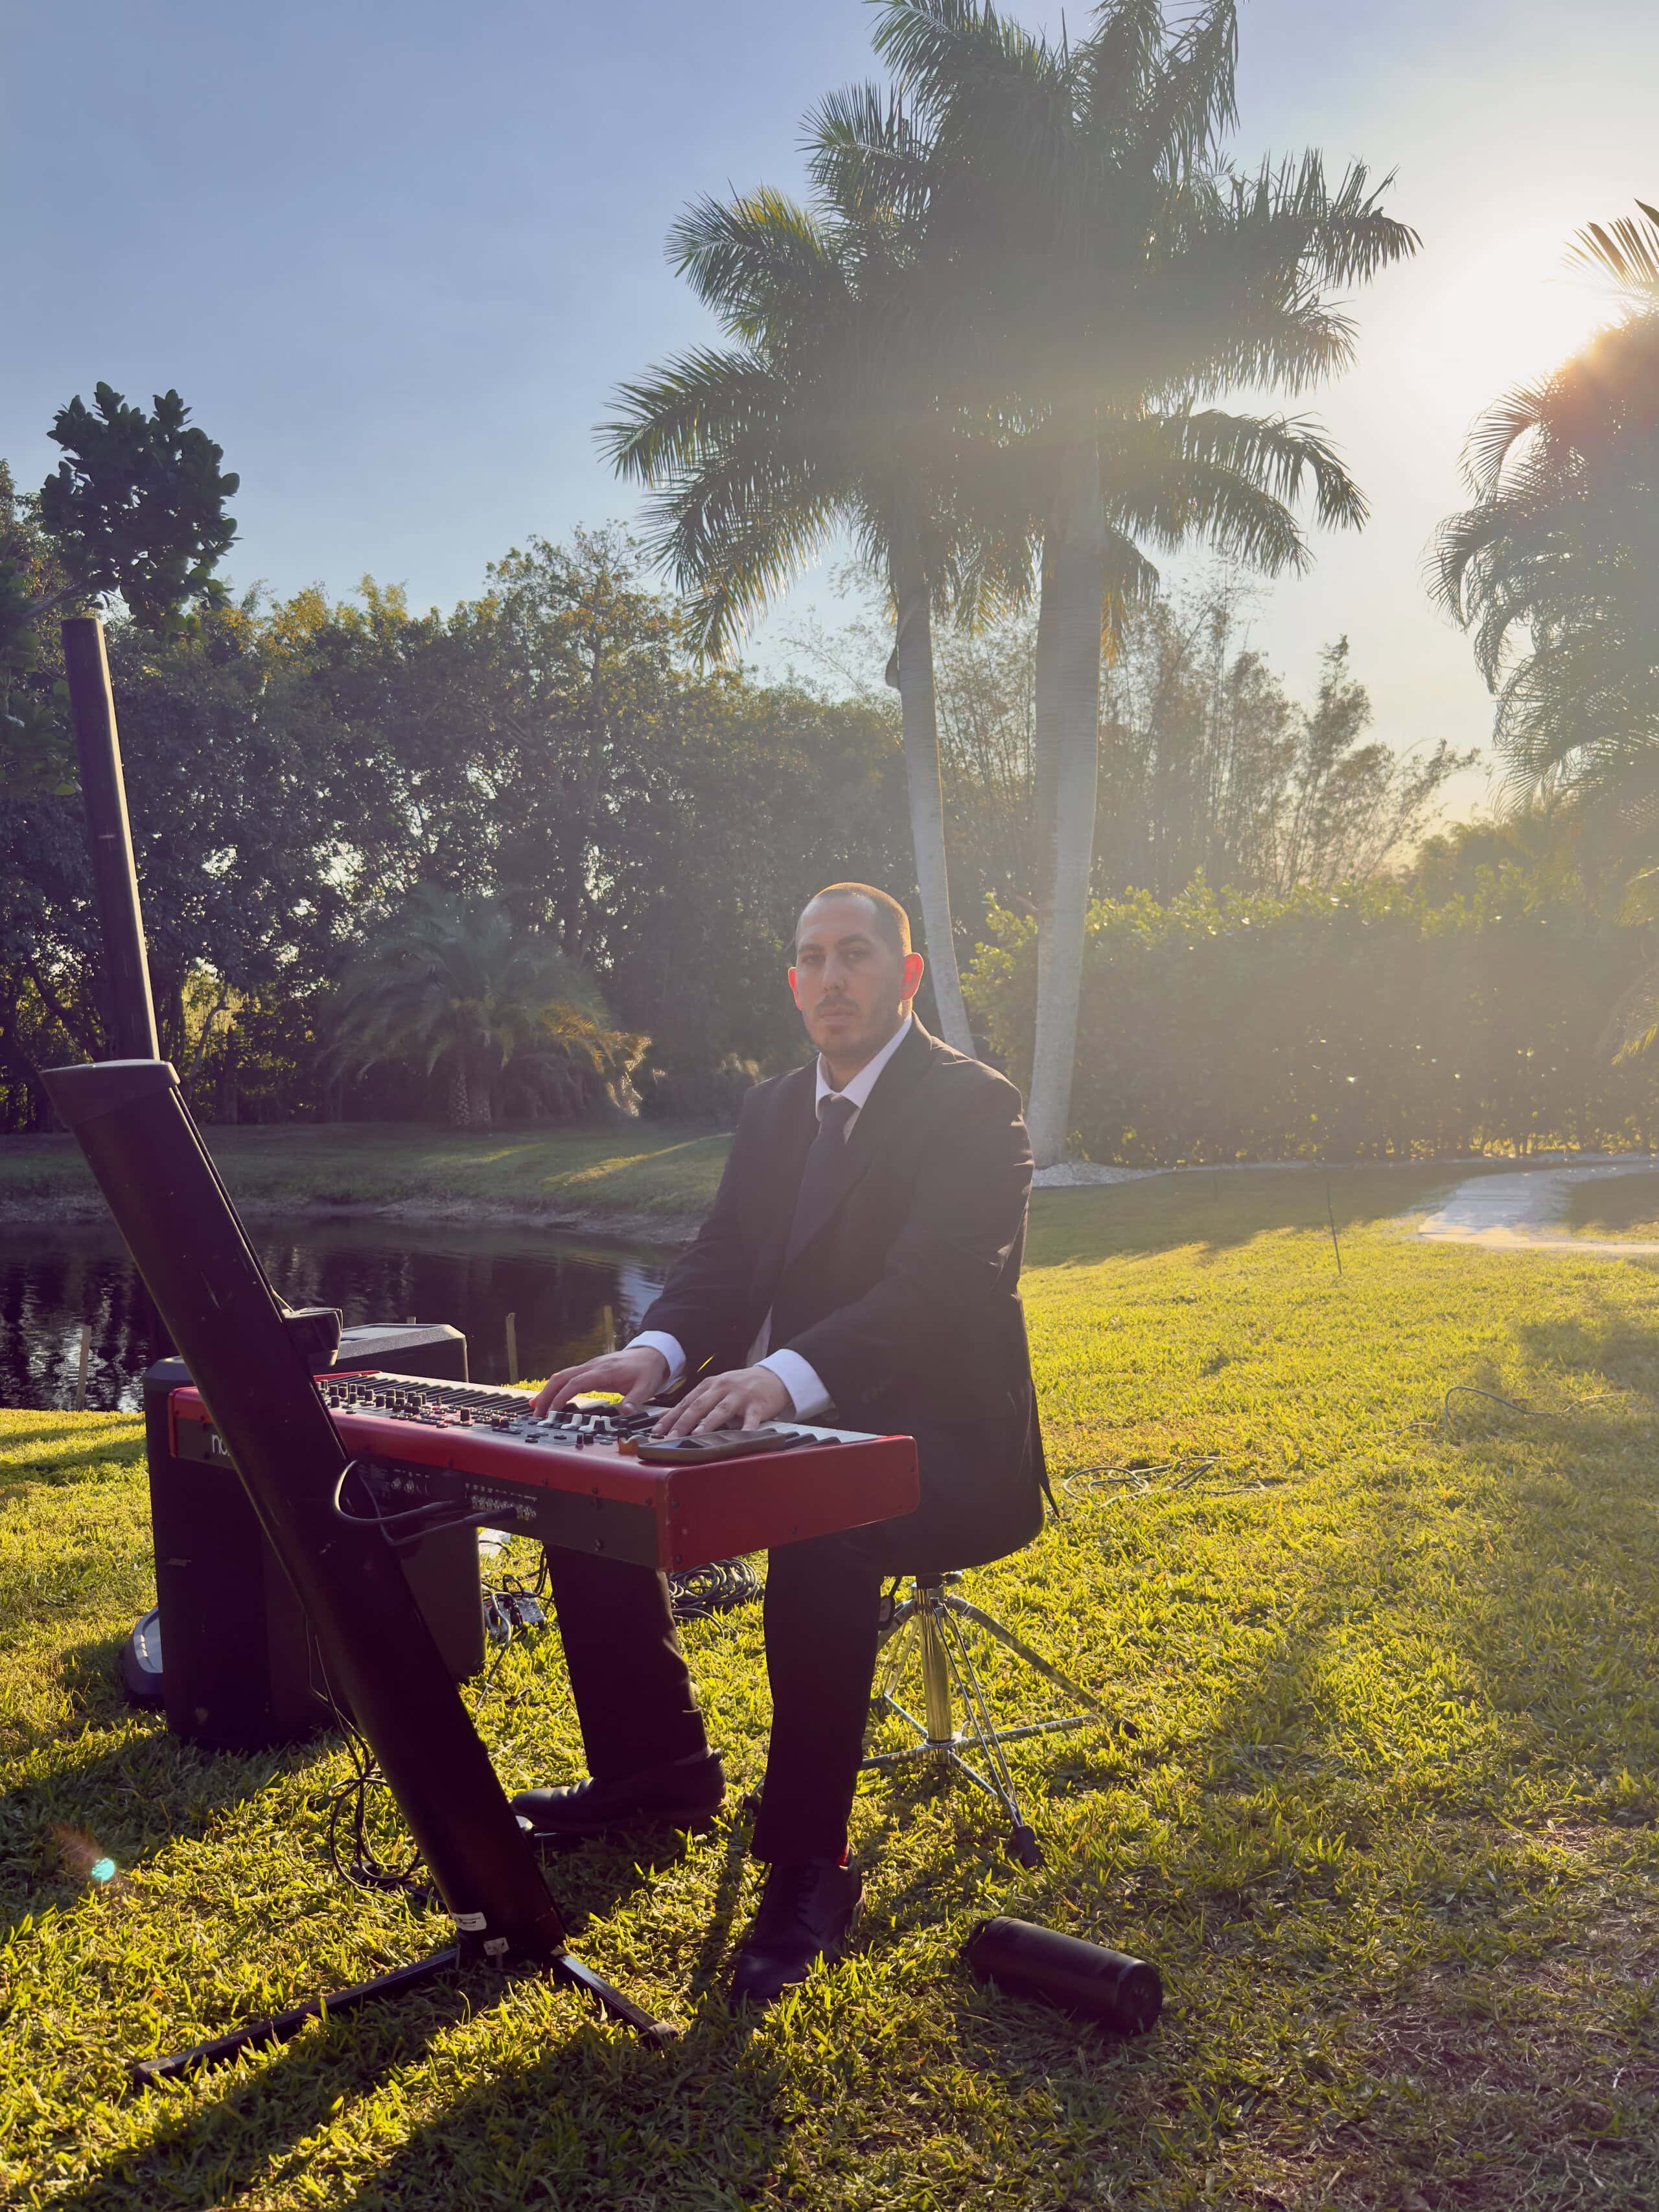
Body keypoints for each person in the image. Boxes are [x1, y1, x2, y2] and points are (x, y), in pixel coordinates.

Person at [511, 882, 1045, 2005]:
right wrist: (654, 1351)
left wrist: (782, 1374)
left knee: (823, 1524)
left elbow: (939, 1289)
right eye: (812, 958)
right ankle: (657, 1773)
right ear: (793, 981)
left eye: (856, 955)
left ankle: (810, 1861)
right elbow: (720, 1256)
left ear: (906, 975)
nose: (831, 978)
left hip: (945, 1442)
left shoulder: (974, 1104)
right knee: (592, 1468)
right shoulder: (770, 1109)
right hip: (786, 1416)